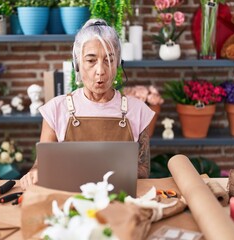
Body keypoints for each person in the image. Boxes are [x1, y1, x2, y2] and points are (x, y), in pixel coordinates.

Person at [20, 19, 154, 190]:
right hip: (68, 201)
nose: (101, 71)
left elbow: (143, 170)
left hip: (119, 201)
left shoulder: (138, 111)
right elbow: (41, 166)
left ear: (118, 63)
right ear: (77, 64)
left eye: (109, 60)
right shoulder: (56, 109)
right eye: (91, 60)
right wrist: (34, 173)